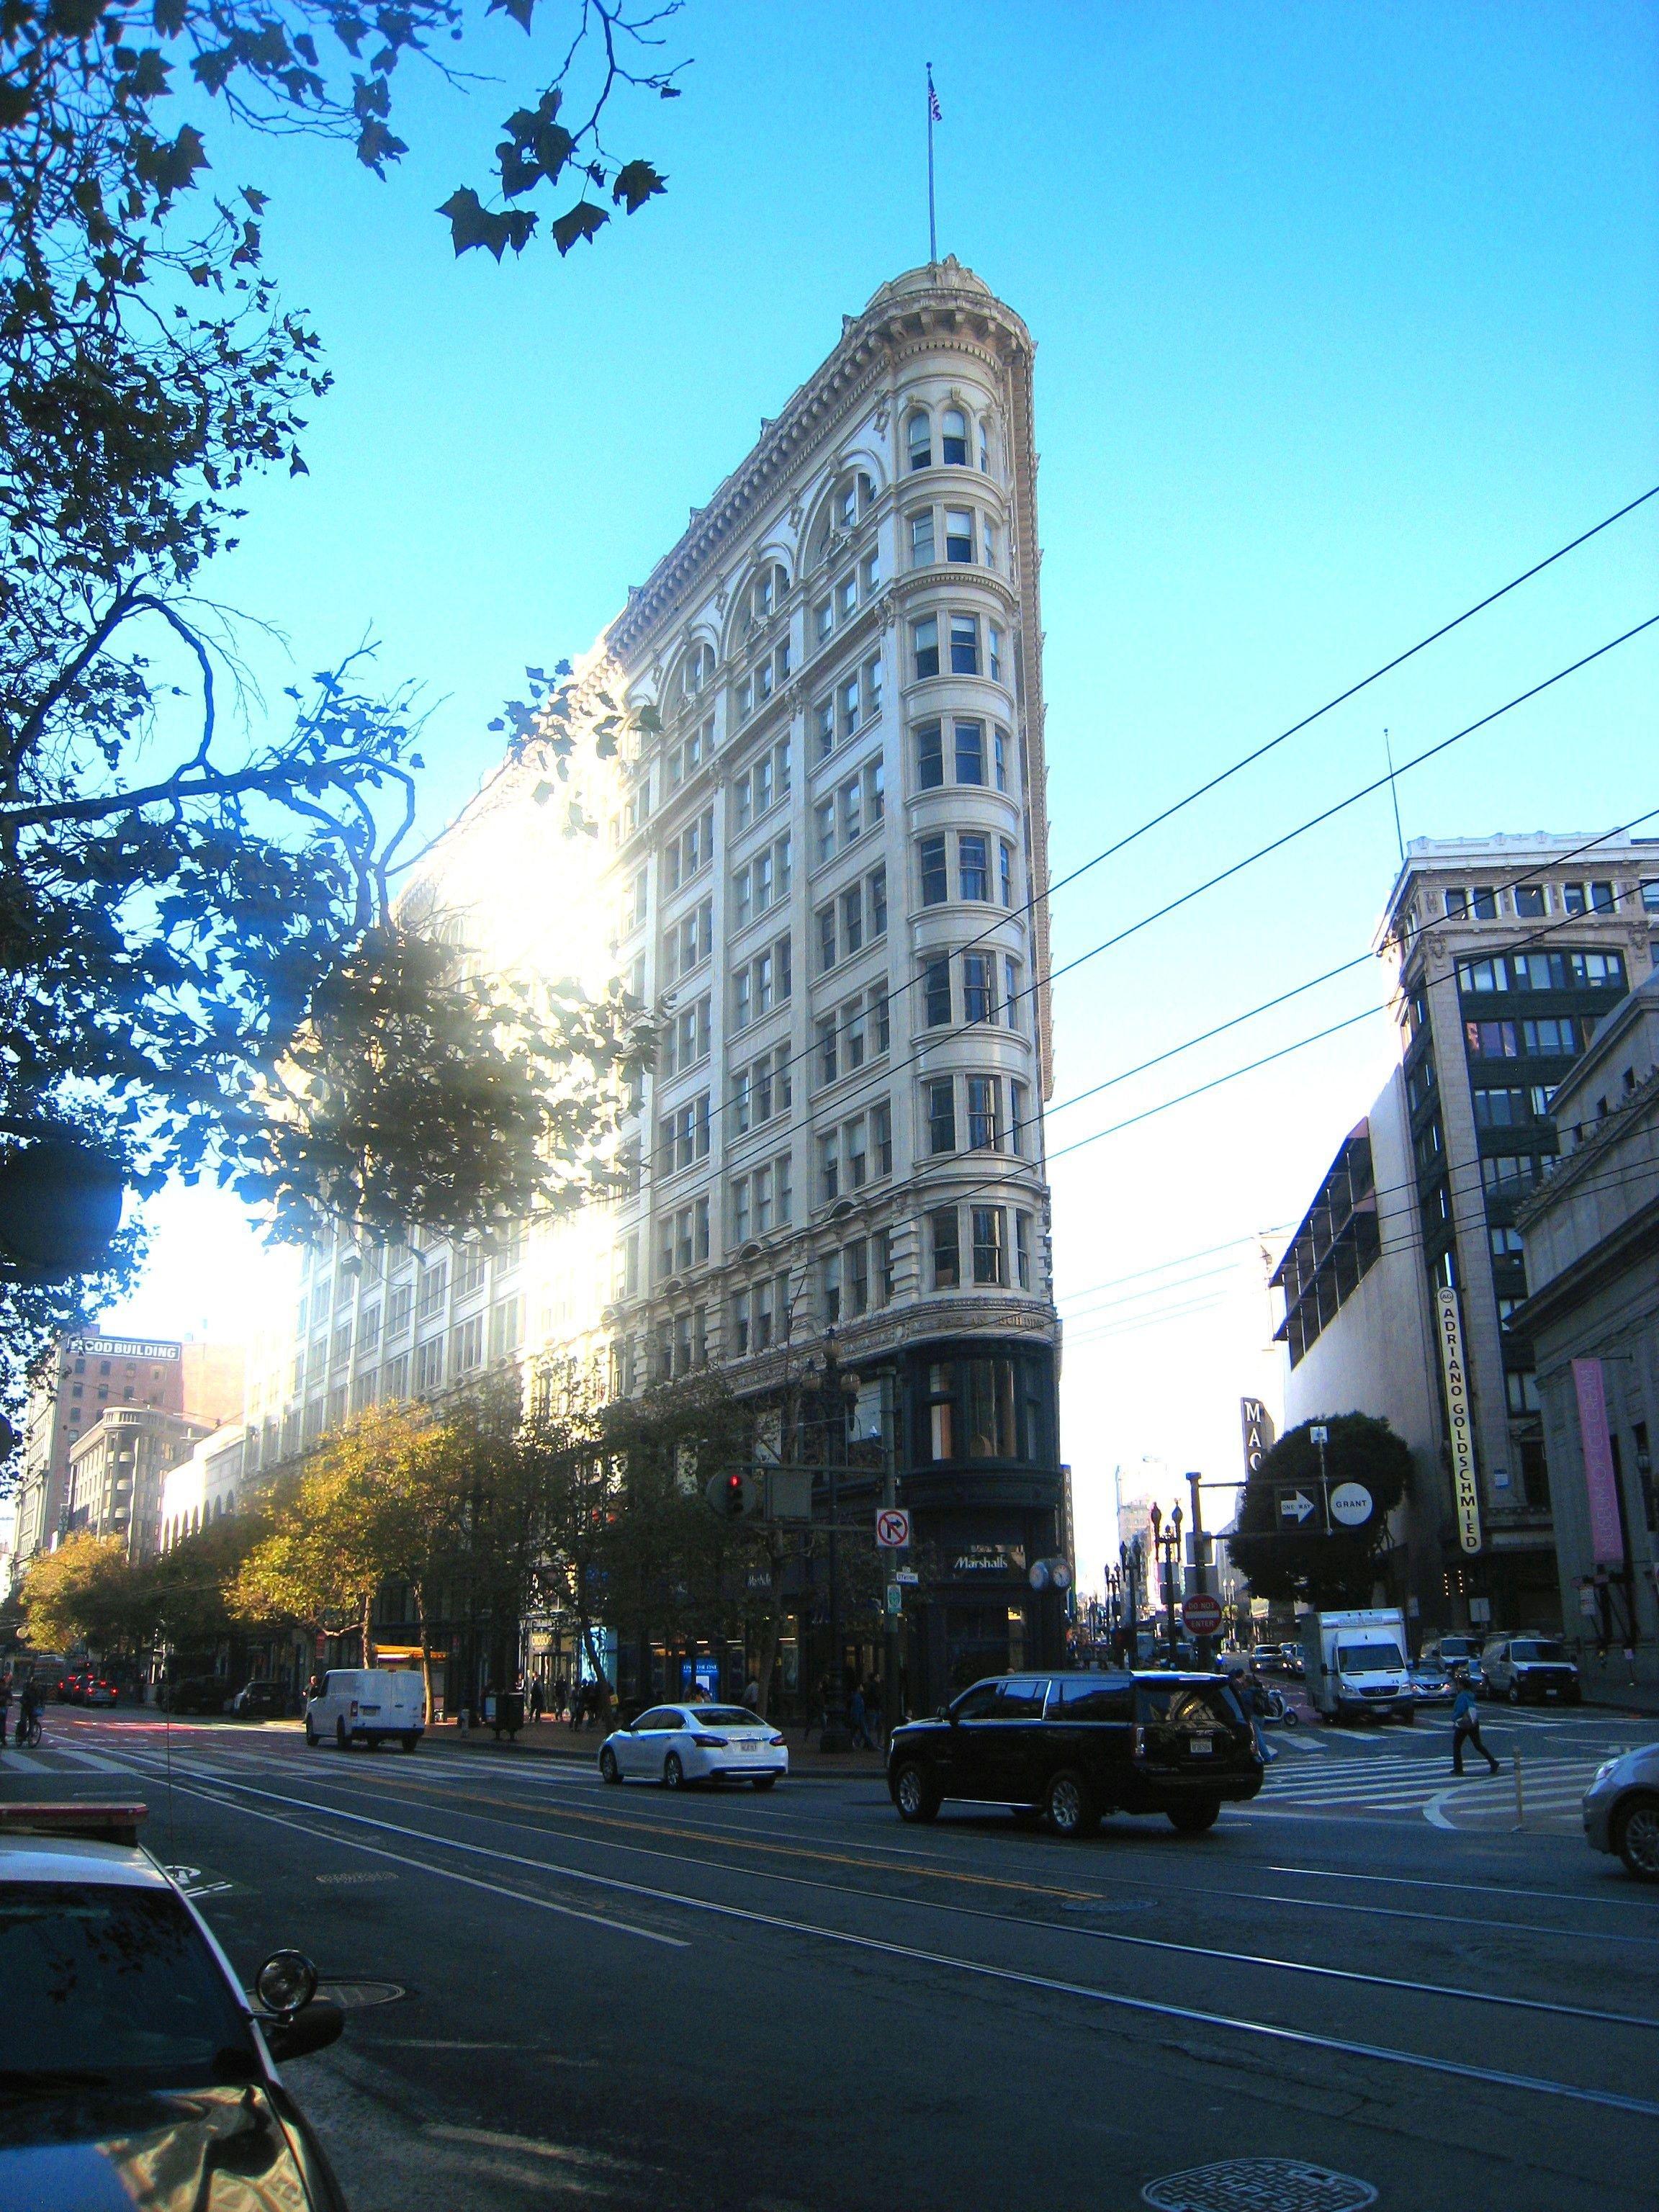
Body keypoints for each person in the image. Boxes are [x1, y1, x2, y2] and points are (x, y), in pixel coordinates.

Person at [1450, 1667, 1499, 1776]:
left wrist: (1454, 1719)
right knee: (1477, 1745)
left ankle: (1458, 1768)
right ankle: (1493, 1762)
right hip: (1473, 1722)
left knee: (1457, 1745)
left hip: (1463, 1723)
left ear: (1462, 1686)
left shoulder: (1462, 1696)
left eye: (1458, 1685)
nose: (1457, 1687)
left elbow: (1460, 1710)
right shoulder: (1470, 1695)